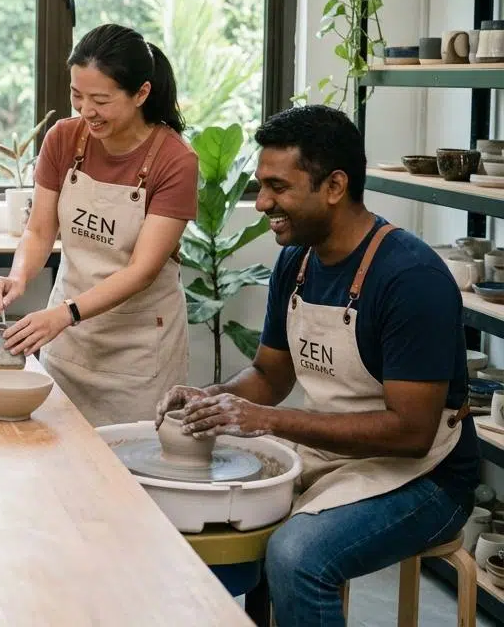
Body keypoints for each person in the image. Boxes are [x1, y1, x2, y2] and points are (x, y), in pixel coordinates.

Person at [157, 105, 478, 627]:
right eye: (261, 186)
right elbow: (268, 375)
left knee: (297, 556)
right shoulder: (298, 260)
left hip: (430, 478)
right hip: (337, 455)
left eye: (277, 187)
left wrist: (267, 421)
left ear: (334, 185)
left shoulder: (410, 278)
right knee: (227, 519)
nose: (262, 203)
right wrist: (211, 397)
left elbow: (412, 433)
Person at [0, 24, 197, 426]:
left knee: (130, 474)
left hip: (137, 351)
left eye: (100, 100)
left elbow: (142, 270)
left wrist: (66, 313)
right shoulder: (63, 139)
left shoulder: (175, 160)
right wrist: (18, 276)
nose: (85, 111)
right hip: (69, 342)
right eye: (76, 95)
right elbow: (39, 231)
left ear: (142, 94)